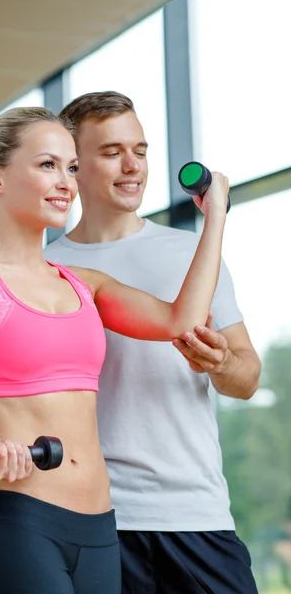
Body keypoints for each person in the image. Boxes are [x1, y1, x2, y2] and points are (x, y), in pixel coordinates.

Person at [0, 105, 227, 594]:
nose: (66, 183)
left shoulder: (83, 285)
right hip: (17, 519)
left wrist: (215, 219)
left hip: (100, 526)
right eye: (47, 165)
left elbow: (180, 320)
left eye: (71, 167)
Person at [43, 91, 261, 594]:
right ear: (72, 166)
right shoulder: (46, 271)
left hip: (196, 513)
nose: (132, 166)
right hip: (95, 517)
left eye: (139, 150)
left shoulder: (193, 253)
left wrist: (221, 362)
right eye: (112, 151)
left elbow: (246, 380)